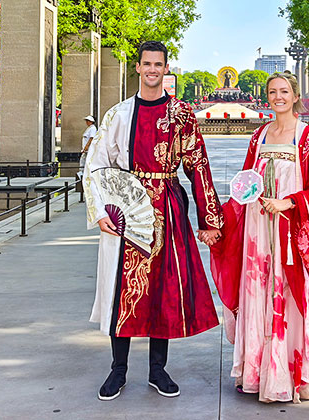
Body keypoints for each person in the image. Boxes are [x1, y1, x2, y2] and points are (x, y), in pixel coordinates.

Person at [82, 41, 224, 401]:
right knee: (123, 288)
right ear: (138, 68)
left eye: (158, 65)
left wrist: (210, 218)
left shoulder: (182, 114)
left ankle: (158, 370)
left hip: (168, 208)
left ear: (165, 68)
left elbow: (198, 166)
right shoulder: (118, 115)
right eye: (146, 64)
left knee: (163, 288)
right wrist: (100, 211)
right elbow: (96, 164)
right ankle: (118, 370)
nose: (151, 70)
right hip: (127, 213)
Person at [206, 72, 309, 403]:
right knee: (259, 292)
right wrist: (217, 223)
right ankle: (259, 373)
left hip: (291, 231)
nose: (278, 97)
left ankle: (299, 375)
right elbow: (244, 185)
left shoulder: (307, 138)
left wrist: (288, 202)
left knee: (293, 295)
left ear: (296, 96)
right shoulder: (259, 136)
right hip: (257, 232)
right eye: (272, 92)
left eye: (284, 91)